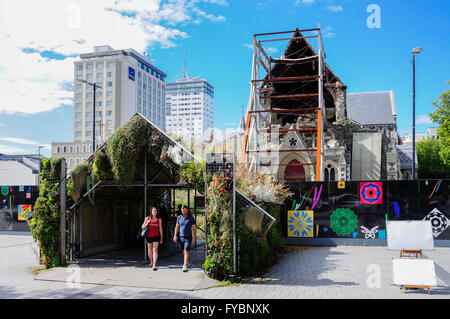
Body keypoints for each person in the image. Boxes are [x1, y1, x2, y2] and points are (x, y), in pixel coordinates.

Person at [173, 204, 197, 272]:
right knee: (183, 251)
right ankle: (186, 261)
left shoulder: (191, 218)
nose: (183, 210)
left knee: (186, 251)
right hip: (181, 237)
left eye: (184, 209)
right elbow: (177, 227)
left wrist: (194, 237)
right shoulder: (179, 217)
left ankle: (185, 265)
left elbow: (194, 228)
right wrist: (175, 235)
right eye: (182, 209)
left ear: (187, 210)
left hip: (188, 237)